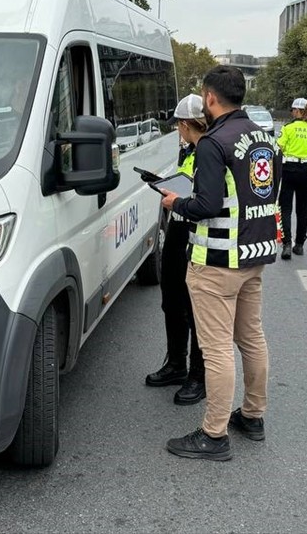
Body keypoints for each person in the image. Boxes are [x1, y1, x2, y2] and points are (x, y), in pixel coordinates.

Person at [158, 65, 280, 462]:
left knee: (216, 350)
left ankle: (213, 435)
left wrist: (176, 202)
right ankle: (253, 415)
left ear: (210, 98)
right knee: (252, 339)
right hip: (254, 254)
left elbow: (206, 205)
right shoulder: (264, 137)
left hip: (217, 259)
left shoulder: (213, 142)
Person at [143, 94, 208, 406]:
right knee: (171, 298)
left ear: (185, 124)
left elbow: (208, 197)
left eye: (179, 126)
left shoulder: (211, 151)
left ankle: (198, 375)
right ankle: (176, 365)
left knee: (196, 307)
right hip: (178, 228)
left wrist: (178, 198)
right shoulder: (191, 150)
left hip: (199, 232)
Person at [277, 98, 307, 259]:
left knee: (285, 208)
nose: (292, 112)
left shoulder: (288, 128)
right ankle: (299, 245)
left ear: (298, 111)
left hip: (289, 170)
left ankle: (286, 245)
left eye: (293, 110)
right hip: (306, 172)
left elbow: (279, 148)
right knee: (303, 210)